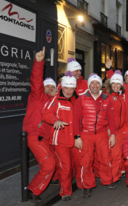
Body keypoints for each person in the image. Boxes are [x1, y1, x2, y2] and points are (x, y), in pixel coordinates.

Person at [73, 73, 117, 198]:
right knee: (86, 161)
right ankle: (87, 185)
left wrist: (112, 134)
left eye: (97, 83)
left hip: (102, 134)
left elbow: (111, 118)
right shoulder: (81, 99)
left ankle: (107, 180)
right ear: (89, 85)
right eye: (92, 83)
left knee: (105, 158)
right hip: (86, 134)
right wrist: (77, 137)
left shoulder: (106, 98)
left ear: (100, 85)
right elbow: (75, 120)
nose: (95, 85)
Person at [23, 47, 57, 202]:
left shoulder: (53, 102)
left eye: (53, 86)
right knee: (49, 165)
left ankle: (52, 179)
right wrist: (39, 62)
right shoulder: (38, 96)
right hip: (35, 135)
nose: (50, 88)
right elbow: (36, 80)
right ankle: (32, 190)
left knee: (53, 161)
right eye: (48, 86)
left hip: (46, 138)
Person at [42, 71, 78, 201]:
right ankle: (65, 192)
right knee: (65, 167)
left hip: (75, 139)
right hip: (60, 140)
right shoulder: (55, 99)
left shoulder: (77, 99)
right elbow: (45, 113)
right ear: (62, 87)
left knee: (75, 164)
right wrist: (55, 120)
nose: (68, 91)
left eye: (71, 88)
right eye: (66, 88)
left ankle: (79, 184)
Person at [104, 70, 126, 183]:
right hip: (112, 131)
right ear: (110, 84)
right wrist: (108, 129)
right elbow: (104, 115)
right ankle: (112, 178)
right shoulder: (107, 97)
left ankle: (115, 174)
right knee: (114, 155)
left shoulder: (120, 96)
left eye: (118, 84)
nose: (116, 86)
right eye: (113, 84)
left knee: (118, 154)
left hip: (120, 130)